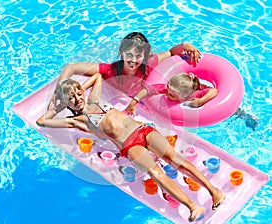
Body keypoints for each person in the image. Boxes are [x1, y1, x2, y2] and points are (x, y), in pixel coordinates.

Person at [37, 73, 225, 222]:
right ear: (67, 103)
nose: (78, 98)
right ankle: (193, 206)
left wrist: (78, 89)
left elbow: (97, 77)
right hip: (129, 145)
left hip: (142, 129)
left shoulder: (93, 99)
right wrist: (61, 103)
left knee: (176, 160)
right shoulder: (78, 121)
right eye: (73, 98)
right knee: (157, 174)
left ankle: (215, 192)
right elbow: (43, 121)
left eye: (79, 94)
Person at [48, 32, 202, 110]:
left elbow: (170, 52)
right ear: (122, 53)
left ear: (145, 55)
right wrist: (59, 92)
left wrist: (185, 45)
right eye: (129, 55)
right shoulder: (111, 70)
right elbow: (71, 67)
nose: (133, 61)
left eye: (138, 56)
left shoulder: (149, 63)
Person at [125, 72, 218, 114]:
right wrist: (134, 102)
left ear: (184, 95)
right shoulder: (168, 89)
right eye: (168, 91)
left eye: (172, 95)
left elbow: (214, 90)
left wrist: (201, 100)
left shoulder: (193, 95)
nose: (167, 94)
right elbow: (146, 90)